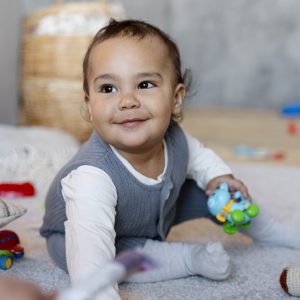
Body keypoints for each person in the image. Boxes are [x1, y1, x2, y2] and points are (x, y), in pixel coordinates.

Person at [40, 19, 300, 299]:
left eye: (145, 84)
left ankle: (275, 231)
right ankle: (189, 259)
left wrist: (218, 177)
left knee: (224, 194)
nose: (127, 101)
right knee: (119, 258)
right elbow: (92, 270)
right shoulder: (91, 178)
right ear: (90, 105)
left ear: (176, 98)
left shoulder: (174, 137)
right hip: (87, 238)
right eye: (108, 89)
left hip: (158, 210)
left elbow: (199, 157)